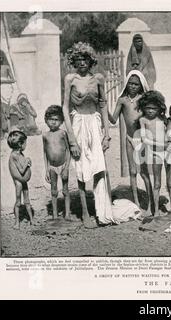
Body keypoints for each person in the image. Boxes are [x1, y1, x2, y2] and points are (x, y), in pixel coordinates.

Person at [62, 42, 113, 228]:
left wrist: (107, 133)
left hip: (95, 123)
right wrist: (72, 139)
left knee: (99, 167)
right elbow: (65, 107)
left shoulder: (98, 78)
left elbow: (103, 105)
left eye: (85, 59)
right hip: (78, 124)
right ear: (74, 60)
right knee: (82, 168)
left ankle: (101, 212)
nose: (82, 62)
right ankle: (85, 212)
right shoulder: (70, 79)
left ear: (90, 60)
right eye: (78, 59)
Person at [108, 70, 153, 211]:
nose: (133, 86)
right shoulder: (122, 100)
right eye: (130, 84)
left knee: (144, 172)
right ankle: (136, 203)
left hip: (143, 139)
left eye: (136, 84)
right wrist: (103, 109)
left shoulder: (144, 99)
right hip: (129, 139)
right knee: (133, 171)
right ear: (126, 84)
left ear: (141, 86)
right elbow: (114, 119)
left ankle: (151, 203)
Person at [138, 90, 170, 216]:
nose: (150, 111)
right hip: (155, 152)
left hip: (167, 152)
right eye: (148, 108)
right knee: (157, 181)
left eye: (153, 108)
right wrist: (161, 145)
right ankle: (155, 210)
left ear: (159, 108)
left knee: (170, 180)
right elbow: (144, 139)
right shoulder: (143, 120)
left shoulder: (163, 119)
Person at [43, 105, 73, 220]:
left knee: (65, 190)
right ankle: (55, 215)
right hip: (52, 167)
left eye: (56, 120)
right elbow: (45, 153)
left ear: (61, 121)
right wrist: (46, 170)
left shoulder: (63, 133)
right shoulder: (45, 135)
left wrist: (66, 167)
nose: (53, 122)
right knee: (54, 191)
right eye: (51, 119)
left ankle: (67, 213)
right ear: (46, 120)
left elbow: (68, 150)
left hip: (62, 165)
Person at [7, 128, 33, 229]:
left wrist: (27, 163)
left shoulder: (19, 153)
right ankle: (17, 223)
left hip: (23, 181)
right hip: (19, 182)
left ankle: (32, 220)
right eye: (25, 143)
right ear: (20, 144)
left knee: (27, 201)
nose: (26, 145)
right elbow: (21, 171)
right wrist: (27, 162)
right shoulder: (14, 155)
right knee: (18, 202)